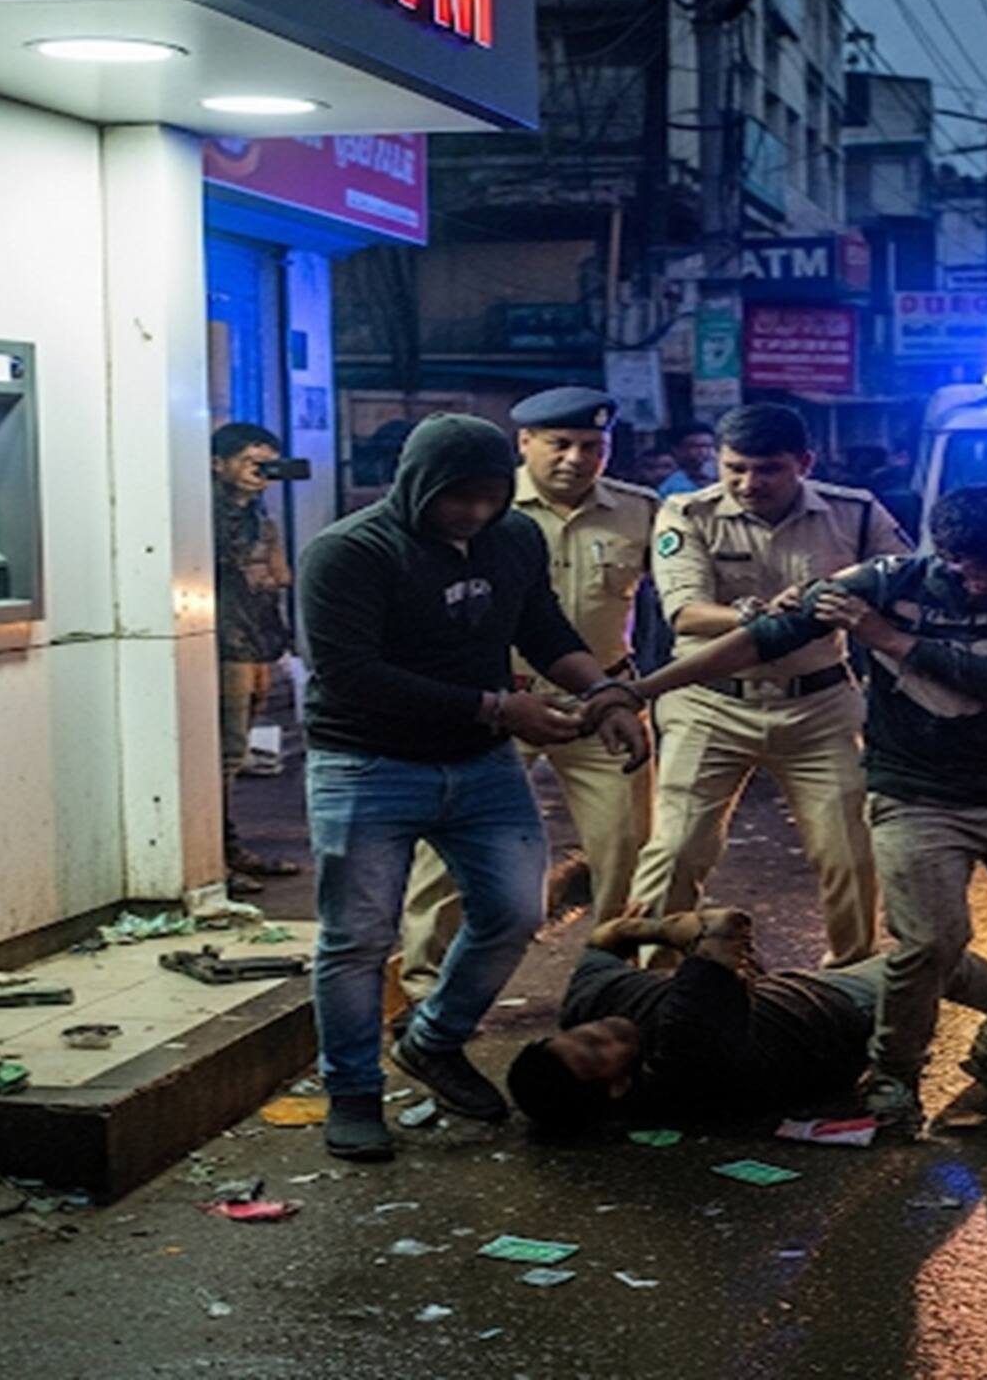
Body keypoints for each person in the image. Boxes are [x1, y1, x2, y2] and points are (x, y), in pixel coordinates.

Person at [621, 484, 987, 1119]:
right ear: (940, 551)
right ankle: (894, 1071)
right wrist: (642, 689)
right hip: (917, 796)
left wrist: (891, 640)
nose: (974, 584)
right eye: (958, 567)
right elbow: (763, 640)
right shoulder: (882, 582)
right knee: (930, 944)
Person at [297, 414, 650, 1161]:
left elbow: (545, 630)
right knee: (358, 939)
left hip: (478, 763)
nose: (475, 512)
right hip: (366, 764)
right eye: (459, 497)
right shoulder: (347, 553)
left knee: (513, 911)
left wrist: (608, 695)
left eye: (491, 496)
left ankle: (435, 1039)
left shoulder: (514, 537)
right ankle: (353, 1093)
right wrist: (498, 707)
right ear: (417, 482)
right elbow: (349, 675)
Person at [397, 388, 660, 1010]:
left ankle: (611, 987)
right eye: (559, 444)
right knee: (447, 857)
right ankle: (424, 992)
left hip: (600, 701)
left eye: (592, 446)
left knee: (627, 848)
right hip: (493, 705)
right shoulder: (479, 506)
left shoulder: (641, 511)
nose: (575, 458)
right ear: (524, 444)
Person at [628, 404, 907, 966]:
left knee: (851, 852)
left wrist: (864, 603)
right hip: (710, 704)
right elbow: (684, 613)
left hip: (820, 703)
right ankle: (649, 985)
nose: (747, 483)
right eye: (734, 468)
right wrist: (759, 614)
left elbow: (903, 581)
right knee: (678, 850)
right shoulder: (687, 512)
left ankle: (851, 975)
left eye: (768, 469)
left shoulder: (853, 512)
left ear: (803, 463)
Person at [506, 905, 987, 1132]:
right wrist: (674, 932)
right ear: (617, 1089)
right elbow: (727, 923)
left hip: (779, 1000)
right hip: (833, 1013)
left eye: (577, 1037)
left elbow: (603, 941)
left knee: (914, 958)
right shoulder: (682, 1056)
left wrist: (657, 929)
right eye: (597, 1054)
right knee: (938, 959)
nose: (597, 1032)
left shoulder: (591, 1009)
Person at [211, 422, 302, 897]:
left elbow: (280, 576)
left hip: (256, 638)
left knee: (235, 751)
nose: (262, 473)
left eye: (268, 464)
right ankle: (214, 856)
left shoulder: (255, 512)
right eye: (252, 463)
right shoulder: (209, 514)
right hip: (225, 641)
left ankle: (229, 848)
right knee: (223, 755)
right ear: (217, 464)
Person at [657, 422, 718, 496]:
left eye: (708, 446)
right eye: (696, 446)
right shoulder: (673, 486)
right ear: (677, 449)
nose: (703, 451)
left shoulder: (720, 477)